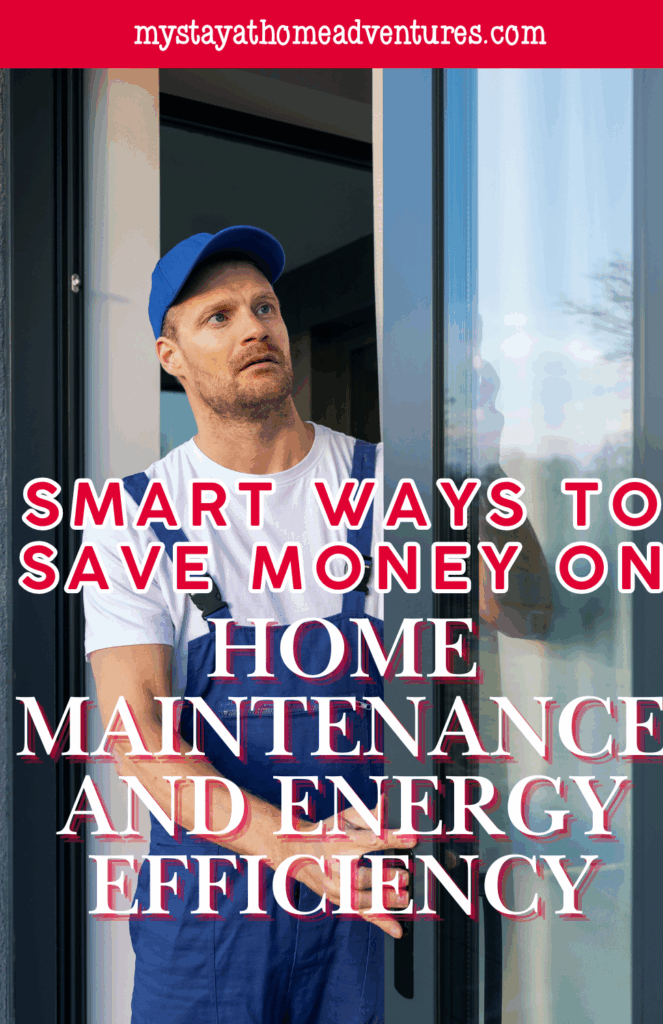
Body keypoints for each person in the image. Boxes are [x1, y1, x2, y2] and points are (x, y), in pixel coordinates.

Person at [84, 225, 414, 1024]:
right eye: (219, 316)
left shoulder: (390, 482)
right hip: (210, 910)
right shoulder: (131, 519)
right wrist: (297, 849)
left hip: (365, 894)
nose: (254, 326)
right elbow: (142, 733)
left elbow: (526, 614)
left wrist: (478, 454)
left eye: (264, 307)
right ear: (171, 357)